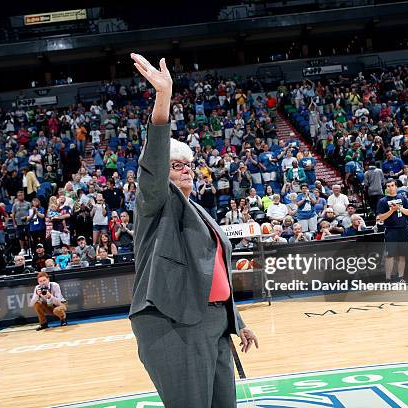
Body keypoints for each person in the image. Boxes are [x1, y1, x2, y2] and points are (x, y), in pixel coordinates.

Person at [129, 53, 257, 408]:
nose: (185, 169)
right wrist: (164, 97)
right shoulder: (155, 205)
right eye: (175, 165)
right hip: (174, 323)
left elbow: (213, 275)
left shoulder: (199, 210)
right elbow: (151, 166)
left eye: (188, 164)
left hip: (213, 321)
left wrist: (237, 321)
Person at [377, 179, 408, 283]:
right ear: (386, 188)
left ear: (396, 186)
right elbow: (380, 218)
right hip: (391, 230)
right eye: (388, 186)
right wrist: (391, 210)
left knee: (402, 255)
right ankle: (388, 279)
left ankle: (401, 278)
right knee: (390, 255)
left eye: (392, 185)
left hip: (403, 229)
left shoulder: (403, 198)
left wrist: (399, 208)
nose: (390, 187)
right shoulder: (382, 201)